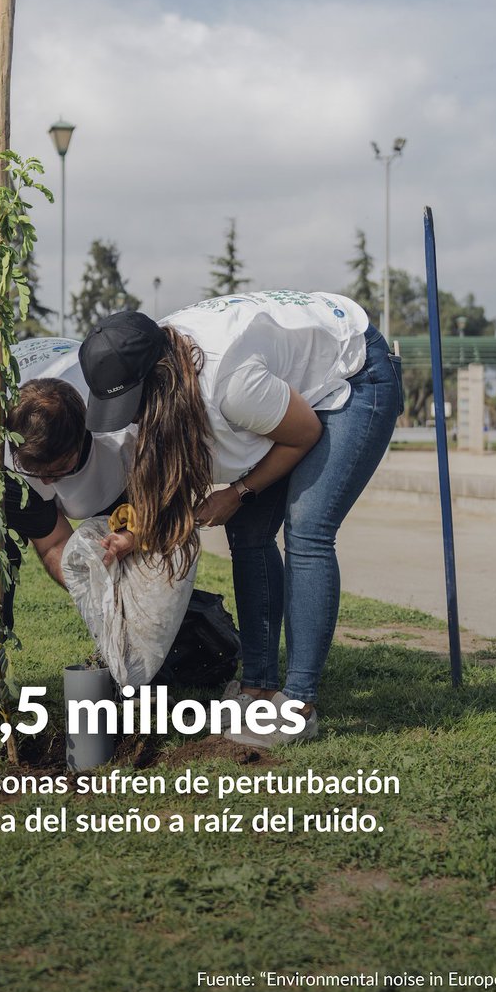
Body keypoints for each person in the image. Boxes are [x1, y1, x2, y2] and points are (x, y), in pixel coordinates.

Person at [79, 290, 404, 748]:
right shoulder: (162, 352)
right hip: (291, 393)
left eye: (134, 403)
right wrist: (138, 534)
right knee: (249, 533)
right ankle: (258, 687)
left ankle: (298, 704)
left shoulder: (231, 384)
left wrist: (238, 492)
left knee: (307, 528)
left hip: (354, 376)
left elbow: (304, 433)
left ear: (158, 379)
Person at [0, 338, 135, 685]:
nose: (47, 482)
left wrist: (110, 600)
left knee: (123, 539)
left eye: (57, 472)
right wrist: (89, 590)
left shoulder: (119, 431)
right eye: (37, 473)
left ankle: (139, 644)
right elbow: (53, 542)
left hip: (76, 415)